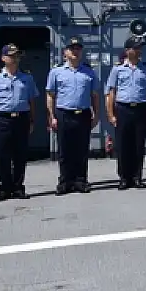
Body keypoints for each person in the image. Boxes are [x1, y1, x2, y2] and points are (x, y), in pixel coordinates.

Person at [0, 44, 39, 200]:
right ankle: (5, 188)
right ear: (3, 58)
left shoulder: (27, 77)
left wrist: (32, 120)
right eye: (12, 55)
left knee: (20, 155)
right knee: (3, 155)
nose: (15, 59)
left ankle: (18, 187)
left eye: (17, 56)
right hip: (2, 119)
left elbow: (32, 101)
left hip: (22, 118)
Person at [45, 37, 101, 194]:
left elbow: (95, 95)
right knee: (64, 150)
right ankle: (65, 182)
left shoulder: (89, 72)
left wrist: (96, 115)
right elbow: (50, 95)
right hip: (63, 113)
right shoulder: (56, 72)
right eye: (72, 48)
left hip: (82, 114)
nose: (75, 51)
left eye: (78, 48)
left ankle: (80, 181)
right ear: (65, 53)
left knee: (81, 150)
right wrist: (52, 116)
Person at [104, 37, 146, 189]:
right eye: (135, 48)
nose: (139, 51)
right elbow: (111, 93)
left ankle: (137, 177)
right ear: (127, 51)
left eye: (140, 48)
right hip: (123, 109)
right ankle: (124, 177)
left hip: (140, 109)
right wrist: (110, 114)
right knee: (123, 145)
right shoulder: (118, 69)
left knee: (138, 145)